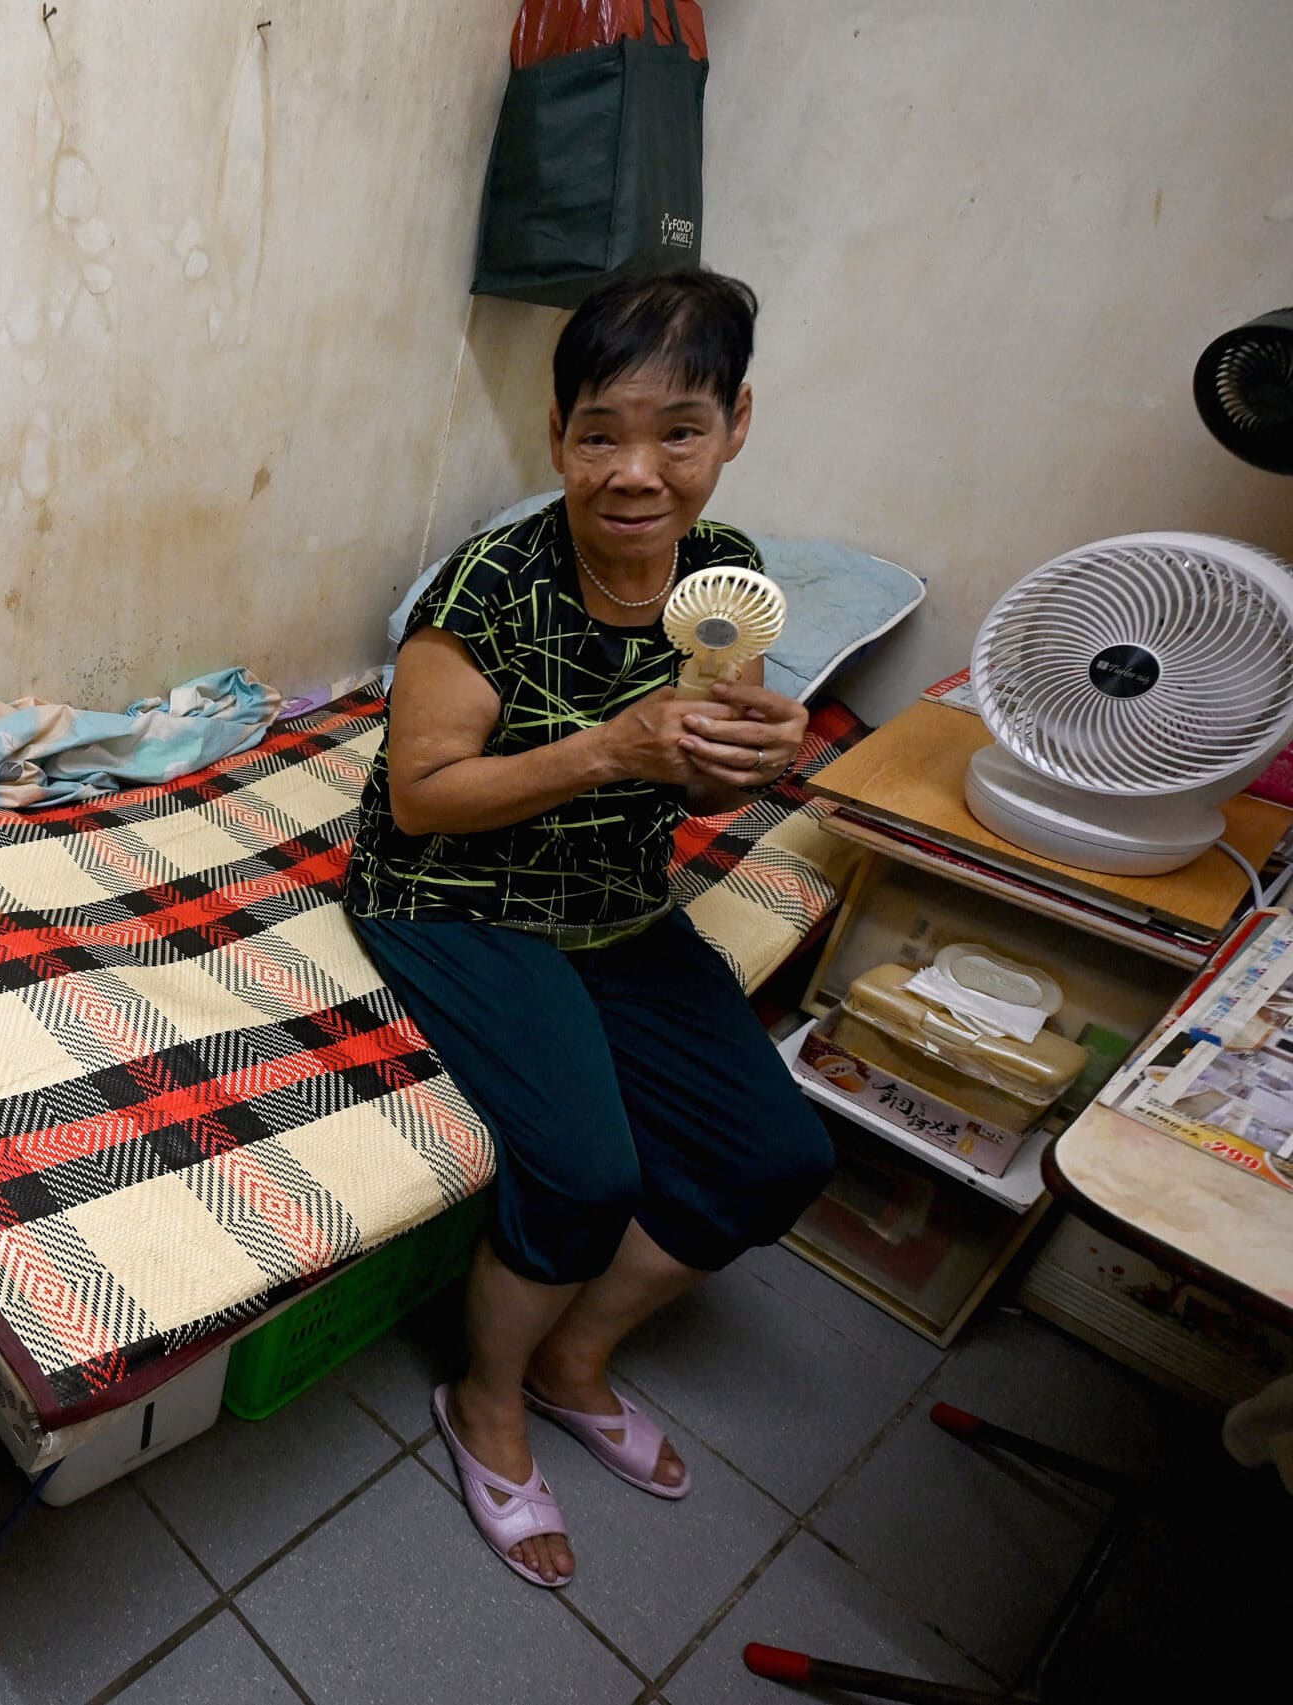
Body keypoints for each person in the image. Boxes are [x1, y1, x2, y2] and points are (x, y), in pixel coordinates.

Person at [345, 270, 834, 1588]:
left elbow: (708, 770)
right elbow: (421, 796)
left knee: (777, 1154)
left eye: (677, 430)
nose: (634, 472)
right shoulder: (493, 585)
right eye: (598, 433)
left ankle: (573, 1358)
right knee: (584, 1168)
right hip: (454, 894)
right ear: (556, 435)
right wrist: (612, 746)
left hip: (614, 902)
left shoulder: (727, 575)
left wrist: (755, 758)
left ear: (736, 424)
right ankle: (488, 1394)